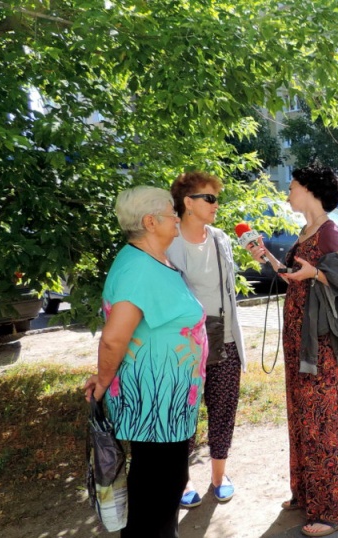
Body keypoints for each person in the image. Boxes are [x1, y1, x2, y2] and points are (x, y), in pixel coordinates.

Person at [245, 164, 338, 537]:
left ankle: (336, 509)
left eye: (294, 185)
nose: (288, 190)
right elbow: (292, 274)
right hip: (300, 341)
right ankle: (307, 495)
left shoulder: (330, 232)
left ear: (311, 190)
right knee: (303, 419)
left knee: (324, 424)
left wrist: (315, 274)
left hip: (321, 346)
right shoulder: (306, 231)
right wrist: (266, 258)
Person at [84, 186, 207, 537]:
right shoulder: (138, 268)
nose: (177, 219)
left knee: (164, 486)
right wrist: (103, 380)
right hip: (153, 406)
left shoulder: (154, 260)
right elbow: (113, 337)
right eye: (172, 213)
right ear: (150, 222)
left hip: (167, 406)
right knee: (157, 491)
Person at [167, 171, 246, 508]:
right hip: (185, 345)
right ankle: (181, 480)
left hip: (224, 338)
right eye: (209, 198)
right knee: (183, 414)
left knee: (224, 409)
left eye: (216, 198)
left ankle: (218, 476)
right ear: (188, 202)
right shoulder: (168, 243)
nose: (216, 205)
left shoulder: (220, 239)